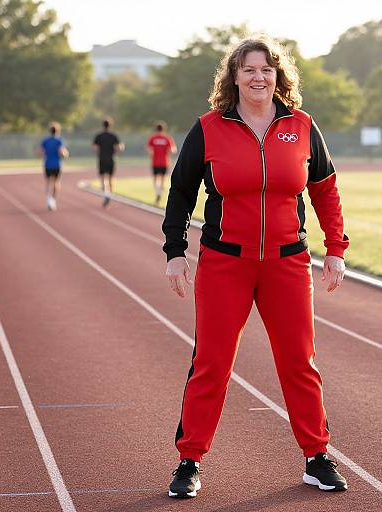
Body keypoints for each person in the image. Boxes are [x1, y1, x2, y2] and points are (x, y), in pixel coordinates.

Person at [162, 36, 350, 499]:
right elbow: (182, 192)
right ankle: (189, 461)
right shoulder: (208, 128)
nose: (258, 77)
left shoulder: (303, 126)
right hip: (225, 262)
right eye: (248, 69)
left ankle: (316, 456)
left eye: (266, 69)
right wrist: (173, 252)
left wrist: (336, 249)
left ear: (278, 75)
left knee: (299, 362)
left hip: (287, 263)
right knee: (211, 362)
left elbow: (325, 190)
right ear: (234, 76)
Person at [92, 118, 124, 207]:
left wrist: (100, 153)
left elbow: (95, 148)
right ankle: (109, 195)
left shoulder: (98, 136)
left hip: (102, 159)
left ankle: (105, 194)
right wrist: (115, 152)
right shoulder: (113, 136)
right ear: (110, 125)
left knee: (103, 179)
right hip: (111, 159)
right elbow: (119, 148)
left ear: (103, 125)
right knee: (110, 179)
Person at [37, 122, 68, 211]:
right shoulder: (60, 141)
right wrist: (66, 155)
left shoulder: (45, 141)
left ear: (50, 131)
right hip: (57, 164)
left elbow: (39, 152)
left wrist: (46, 154)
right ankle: (53, 200)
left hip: (47, 164)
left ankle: (49, 199)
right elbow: (62, 152)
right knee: (56, 182)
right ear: (58, 131)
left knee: (48, 182)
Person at [146, 121, 177, 205]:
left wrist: (152, 152)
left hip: (155, 162)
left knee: (156, 178)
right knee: (162, 178)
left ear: (156, 129)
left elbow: (149, 149)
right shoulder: (167, 138)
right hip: (165, 162)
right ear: (164, 129)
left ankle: (157, 192)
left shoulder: (153, 138)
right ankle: (160, 192)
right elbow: (173, 149)